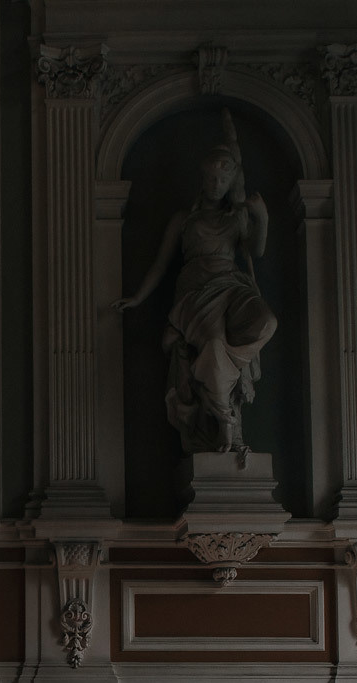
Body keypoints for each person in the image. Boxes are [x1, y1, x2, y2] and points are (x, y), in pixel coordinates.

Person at [112, 111, 276, 455]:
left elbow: (256, 250)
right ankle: (225, 421)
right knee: (214, 347)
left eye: (223, 179)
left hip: (232, 285)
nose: (216, 185)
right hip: (197, 293)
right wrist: (139, 298)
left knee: (266, 322)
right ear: (202, 179)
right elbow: (160, 264)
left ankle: (230, 373)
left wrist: (260, 217)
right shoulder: (183, 220)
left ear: (230, 181)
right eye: (211, 179)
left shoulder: (235, 218)